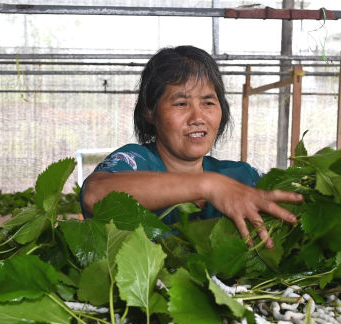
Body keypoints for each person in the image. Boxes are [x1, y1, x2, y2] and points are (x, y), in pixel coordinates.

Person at [80, 45, 302, 249]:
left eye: (208, 103)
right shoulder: (136, 161)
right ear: (150, 111)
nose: (197, 118)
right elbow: (94, 195)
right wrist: (207, 185)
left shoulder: (243, 176)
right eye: (181, 104)